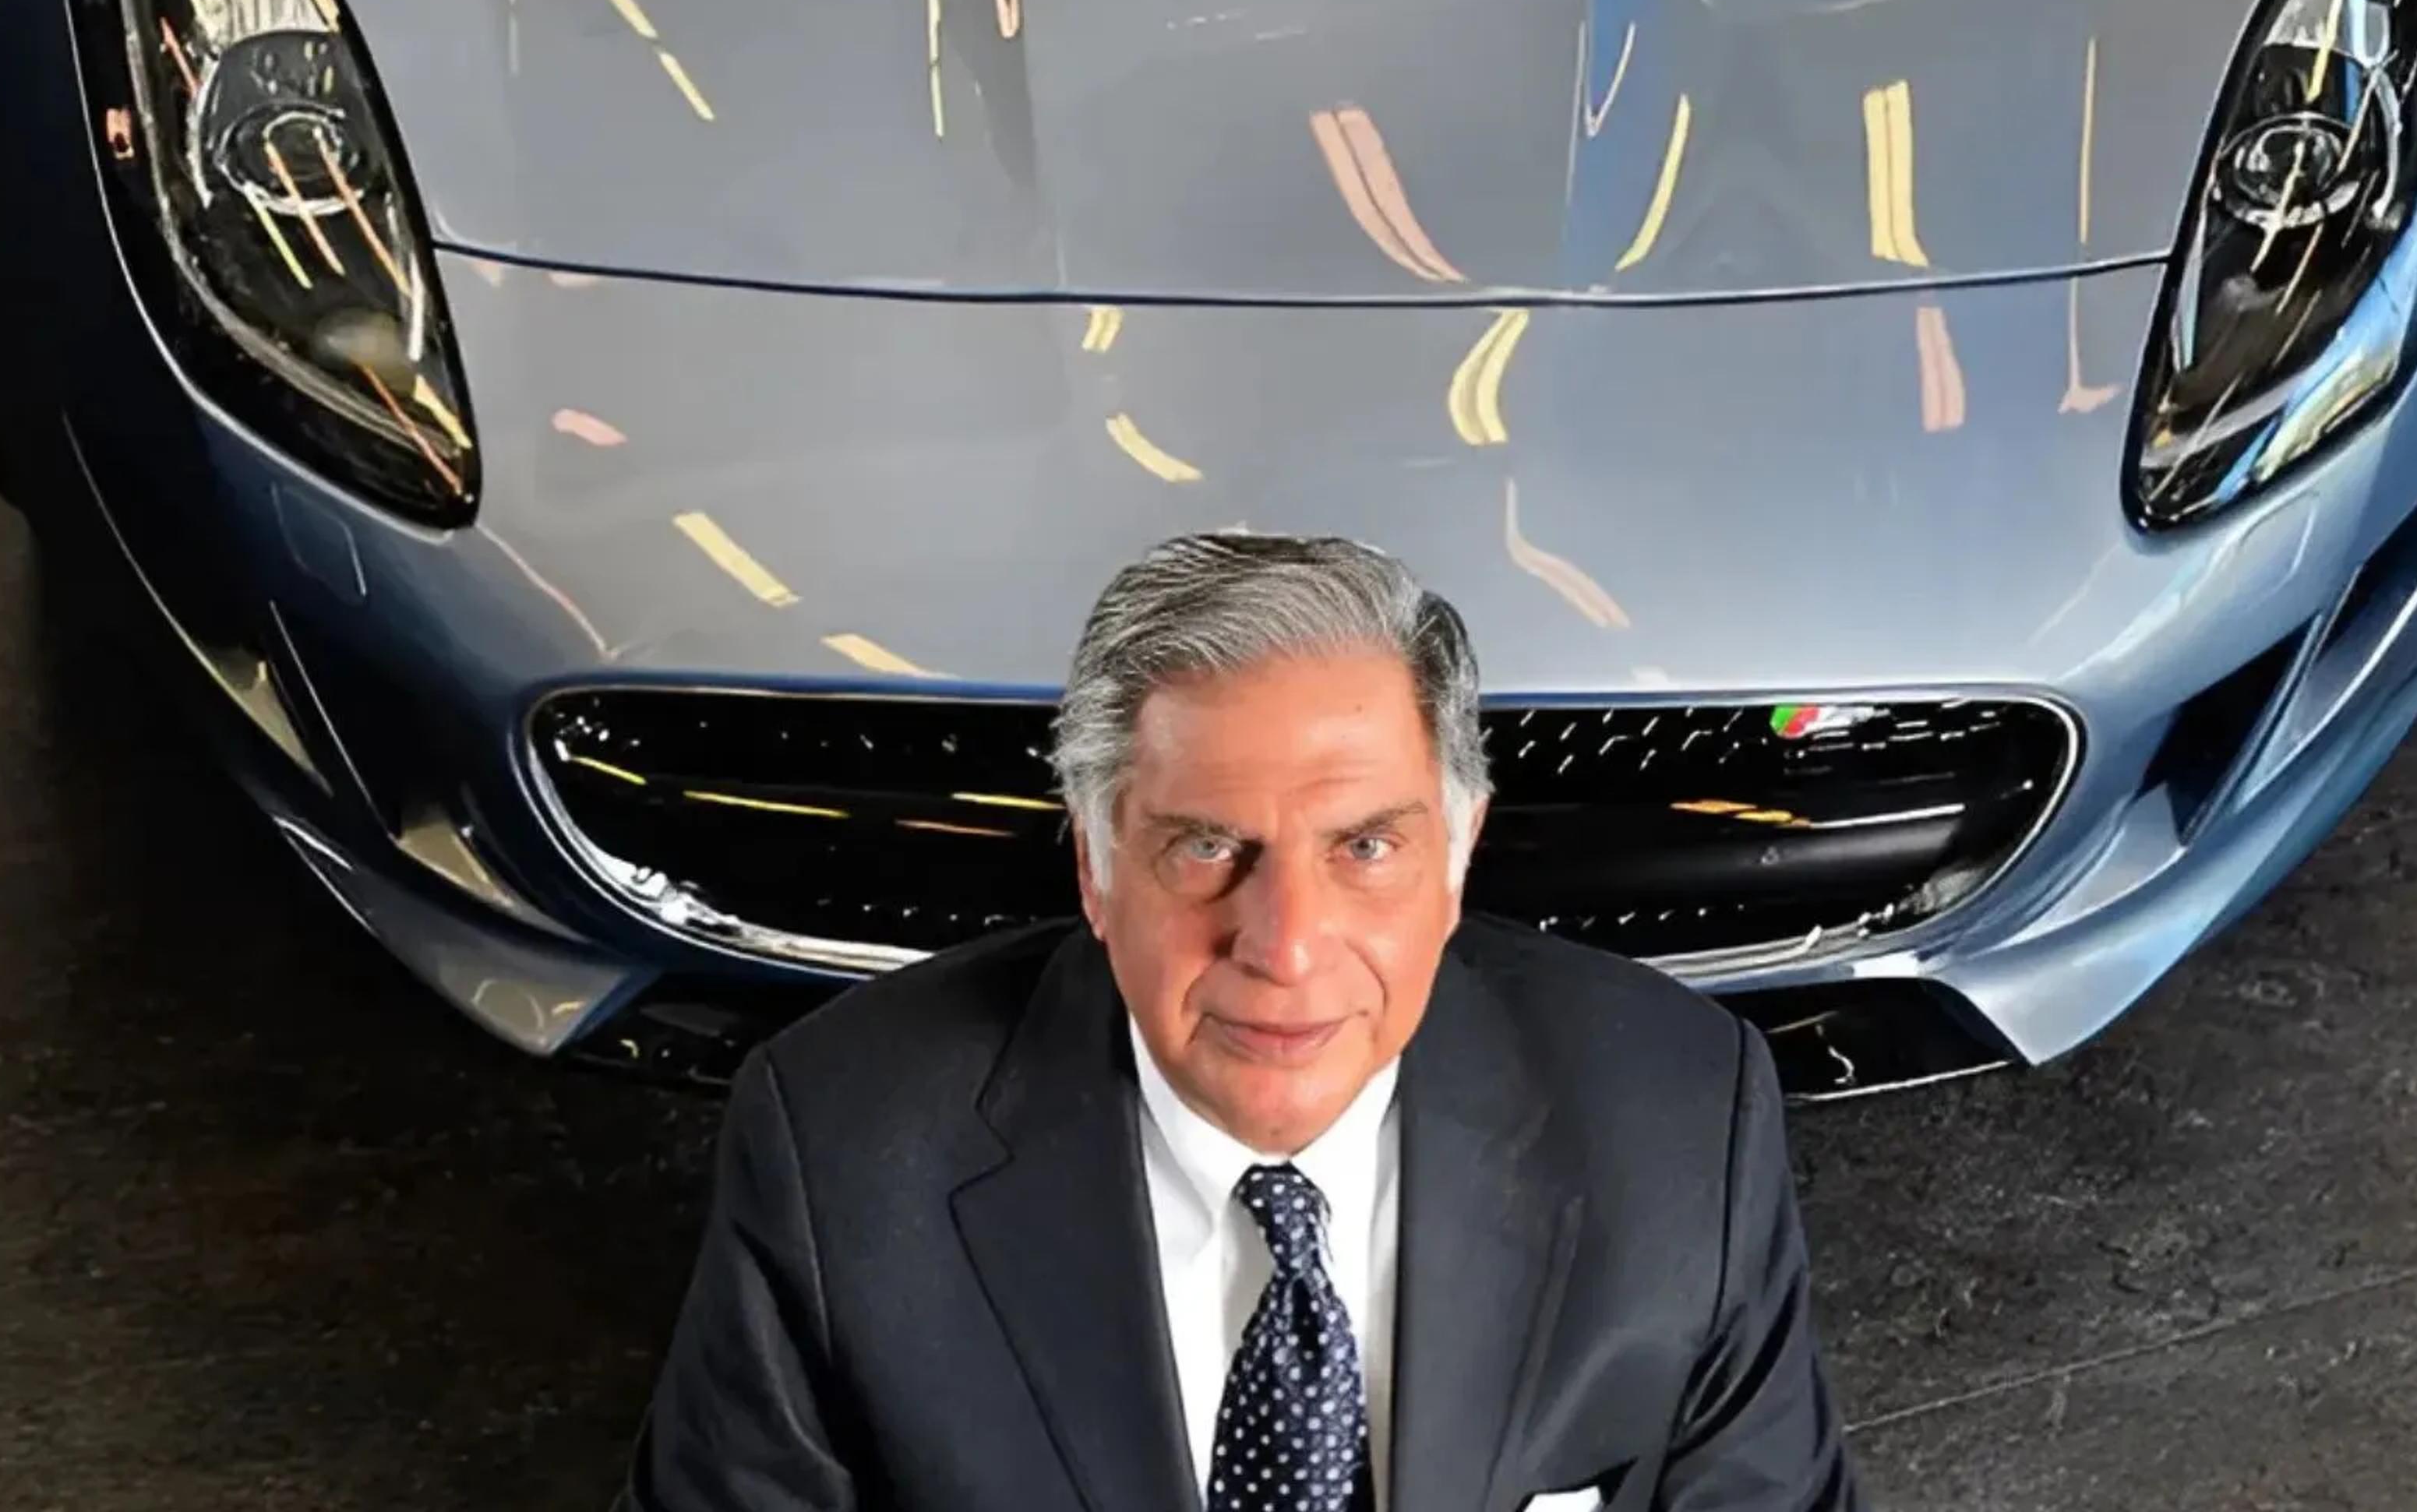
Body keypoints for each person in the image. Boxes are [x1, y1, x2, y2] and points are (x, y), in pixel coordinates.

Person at [619, 533, 1861, 1512]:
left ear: (1459, 856)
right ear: (1097, 872)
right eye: (1209, 847)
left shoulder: (1686, 1120)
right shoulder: (833, 1152)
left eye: (1365, 846)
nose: (1286, 948)